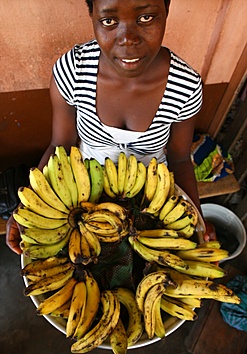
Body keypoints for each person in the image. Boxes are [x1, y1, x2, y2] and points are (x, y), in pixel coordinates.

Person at [6, 0, 215, 255]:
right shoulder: (73, 71)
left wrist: (198, 222)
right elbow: (60, 146)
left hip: (150, 194)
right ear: (92, 16)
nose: (127, 38)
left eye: (146, 18)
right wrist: (29, 208)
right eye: (109, 21)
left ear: (166, 11)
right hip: (83, 190)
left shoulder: (185, 86)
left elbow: (180, 159)